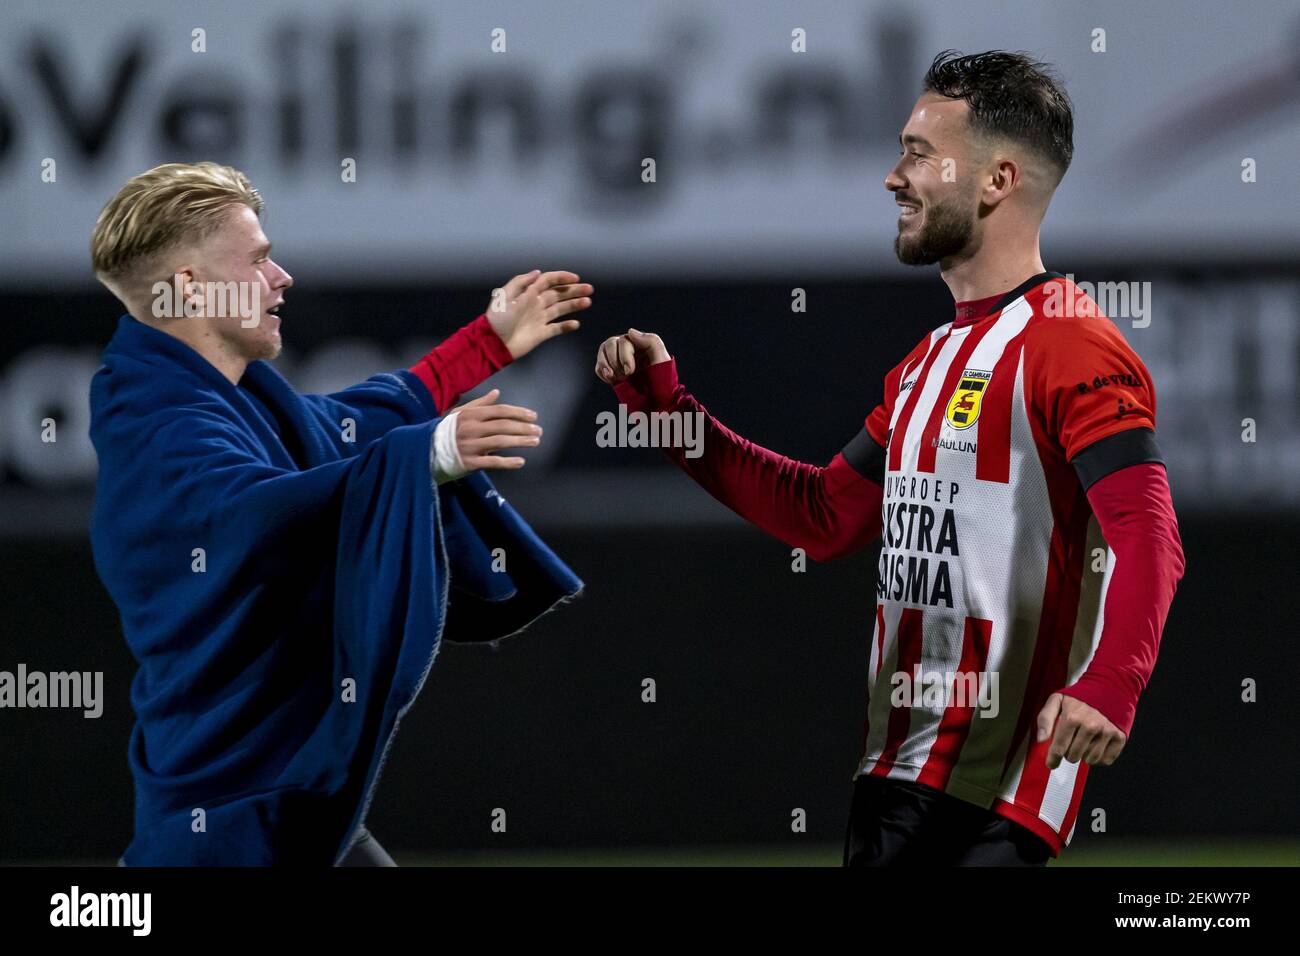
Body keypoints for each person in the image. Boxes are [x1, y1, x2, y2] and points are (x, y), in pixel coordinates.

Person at [595, 51, 1184, 865]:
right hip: (895, 773)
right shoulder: (923, 364)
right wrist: (668, 414)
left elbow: (1149, 536)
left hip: (994, 795)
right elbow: (824, 515)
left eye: (916, 152)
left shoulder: (1072, 345)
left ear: (996, 181)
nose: (892, 177)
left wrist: (1111, 685)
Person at [90, 161, 590, 865]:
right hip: (227, 827)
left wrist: (488, 343)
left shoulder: (238, 399)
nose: (280, 277)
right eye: (258, 260)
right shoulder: (160, 422)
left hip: (280, 810)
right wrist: (427, 456)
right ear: (192, 288)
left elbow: (350, 425)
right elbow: (249, 516)